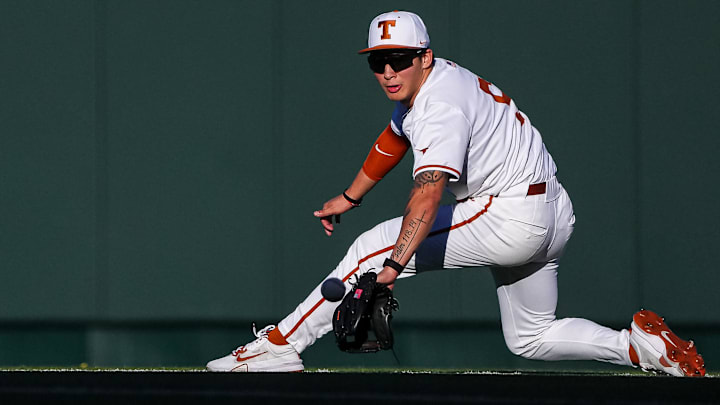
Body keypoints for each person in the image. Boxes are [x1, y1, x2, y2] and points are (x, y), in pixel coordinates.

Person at [206, 10, 705, 377]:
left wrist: (392, 269)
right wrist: (350, 196)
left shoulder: (440, 106)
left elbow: (426, 196)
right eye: (378, 61)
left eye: (398, 59)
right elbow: (393, 139)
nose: (387, 72)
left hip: (512, 214)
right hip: (551, 211)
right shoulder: (433, 83)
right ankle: (638, 348)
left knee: (371, 247)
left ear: (423, 56)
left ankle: (280, 344)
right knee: (530, 337)